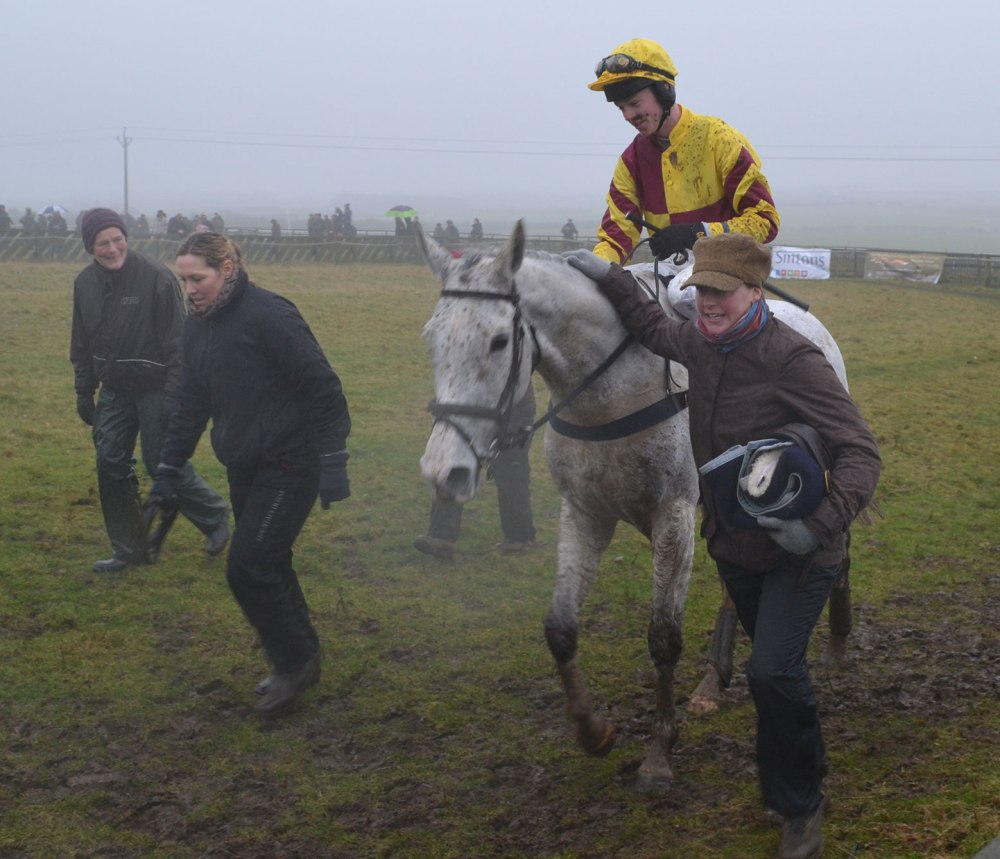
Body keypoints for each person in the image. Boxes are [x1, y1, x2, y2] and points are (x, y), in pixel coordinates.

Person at [564, 234, 880, 859]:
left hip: (803, 549)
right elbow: (654, 325)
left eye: (720, 293)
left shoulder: (792, 359)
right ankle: (805, 774)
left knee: (770, 670)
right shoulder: (700, 346)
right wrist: (610, 275)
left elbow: (860, 451)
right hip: (735, 548)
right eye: (701, 291)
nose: (707, 303)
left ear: (755, 292)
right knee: (777, 676)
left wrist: (818, 529)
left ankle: (800, 808)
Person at [151, 232, 352, 717]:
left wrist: (332, 461)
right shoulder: (198, 326)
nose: (190, 289)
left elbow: (323, 387)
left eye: (197, 278)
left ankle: (294, 665)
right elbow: (191, 403)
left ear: (228, 270)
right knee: (270, 562)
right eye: (184, 280)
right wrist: (167, 469)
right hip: (244, 464)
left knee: (248, 567)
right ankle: (302, 656)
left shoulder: (270, 315)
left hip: (290, 462)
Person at [70, 208, 230, 572]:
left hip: (158, 386)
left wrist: (176, 395)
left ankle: (214, 516)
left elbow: (180, 343)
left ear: (126, 238)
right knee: (109, 462)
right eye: (102, 243)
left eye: (117, 239)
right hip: (115, 388)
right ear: (89, 246)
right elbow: (80, 342)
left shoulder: (156, 277)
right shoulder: (85, 284)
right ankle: (130, 549)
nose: (112, 249)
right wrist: (84, 390)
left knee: (159, 459)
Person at [588, 38, 779, 264]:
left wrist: (699, 233)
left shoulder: (720, 139)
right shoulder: (632, 161)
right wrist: (595, 269)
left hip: (730, 277)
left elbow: (765, 221)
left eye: (635, 104)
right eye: (621, 108)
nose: (628, 116)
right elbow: (615, 238)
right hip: (671, 278)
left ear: (664, 91)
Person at [413, 386, 537, 561]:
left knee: (511, 467)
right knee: (455, 462)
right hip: (471, 402)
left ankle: (519, 536)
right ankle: (441, 536)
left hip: (513, 404)